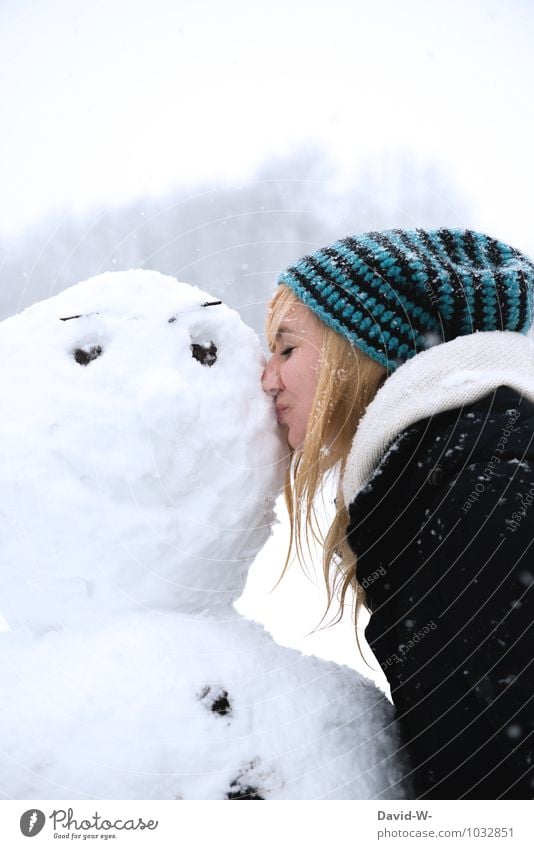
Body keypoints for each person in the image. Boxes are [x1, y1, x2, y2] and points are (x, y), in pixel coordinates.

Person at [261, 228, 534, 800]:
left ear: (361, 350)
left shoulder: (489, 484)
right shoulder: (442, 480)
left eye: (286, 349)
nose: (268, 379)